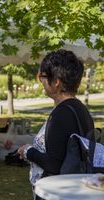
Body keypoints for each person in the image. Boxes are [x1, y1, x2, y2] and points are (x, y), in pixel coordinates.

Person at [17, 49, 94, 199]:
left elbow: (54, 164)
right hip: (74, 188)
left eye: (42, 77)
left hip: (56, 192)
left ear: (56, 82)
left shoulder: (62, 114)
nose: (41, 81)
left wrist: (27, 151)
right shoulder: (80, 109)